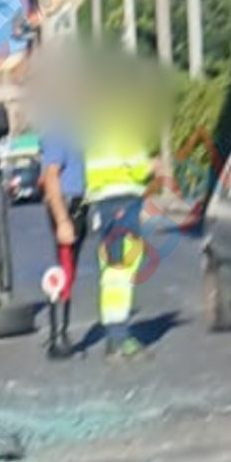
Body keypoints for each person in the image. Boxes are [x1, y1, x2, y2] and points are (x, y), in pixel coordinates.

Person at [85, 124, 153, 360]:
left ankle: (114, 338)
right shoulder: (126, 135)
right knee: (123, 271)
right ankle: (120, 338)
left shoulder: (95, 140)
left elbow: (91, 177)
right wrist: (153, 165)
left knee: (111, 272)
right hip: (126, 204)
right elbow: (140, 170)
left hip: (104, 207)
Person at [40, 129, 87, 359]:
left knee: (70, 271)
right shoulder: (59, 129)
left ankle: (62, 333)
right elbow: (51, 176)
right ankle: (57, 338)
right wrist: (62, 220)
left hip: (78, 204)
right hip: (66, 205)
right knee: (64, 272)